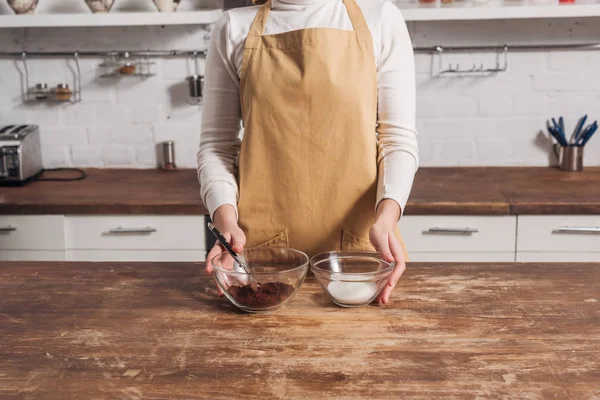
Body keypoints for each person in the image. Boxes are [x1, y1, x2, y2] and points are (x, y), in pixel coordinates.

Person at [198, 0, 418, 304]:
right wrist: (225, 220)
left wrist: (387, 217)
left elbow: (397, 139)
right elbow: (217, 145)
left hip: (359, 263)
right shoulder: (233, 28)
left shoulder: (381, 18)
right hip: (258, 267)